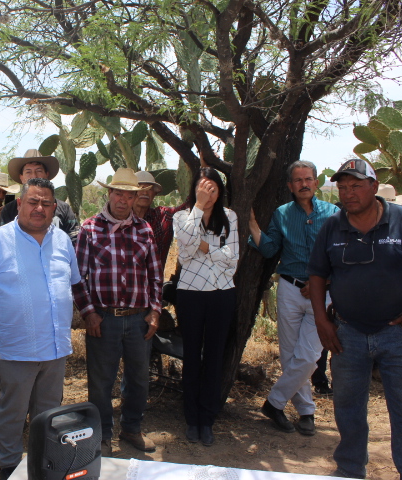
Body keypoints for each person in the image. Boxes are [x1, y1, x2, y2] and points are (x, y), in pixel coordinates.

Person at [308, 158, 402, 480]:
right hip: (347, 334)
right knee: (348, 408)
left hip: (399, 335)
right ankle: (350, 469)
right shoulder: (332, 226)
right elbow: (317, 275)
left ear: (373, 186)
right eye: (342, 187)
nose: (348, 193)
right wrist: (322, 321)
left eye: (356, 186)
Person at [0, 177, 81, 480]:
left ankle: (44, 464)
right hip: (16, 347)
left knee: (49, 414)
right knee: (13, 412)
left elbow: (72, 282)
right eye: (33, 201)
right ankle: (9, 466)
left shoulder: (62, 241)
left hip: (55, 347)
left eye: (46, 203)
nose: (39, 208)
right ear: (19, 204)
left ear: (54, 207)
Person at [73, 168, 162, 456]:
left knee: (138, 379)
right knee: (101, 382)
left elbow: (155, 275)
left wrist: (155, 311)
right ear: (109, 193)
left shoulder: (144, 230)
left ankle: (132, 428)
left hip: (138, 319)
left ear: (136, 198)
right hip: (103, 318)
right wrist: (89, 313)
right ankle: (102, 435)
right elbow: (78, 277)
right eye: (118, 193)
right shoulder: (89, 228)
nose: (123, 200)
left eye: (129, 195)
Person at [248, 160, 339, 434]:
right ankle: (306, 412)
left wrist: (323, 281)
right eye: (298, 180)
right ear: (290, 185)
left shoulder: (333, 214)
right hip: (289, 288)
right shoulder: (282, 214)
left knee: (310, 355)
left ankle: (274, 403)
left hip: (322, 293)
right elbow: (269, 249)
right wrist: (252, 224)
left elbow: (341, 253)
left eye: (308, 179)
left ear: (316, 182)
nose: (304, 184)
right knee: (290, 356)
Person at [174, 167, 239, 446]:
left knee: (214, 356)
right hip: (190, 293)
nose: (208, 193)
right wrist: (198, 207)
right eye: (203, 188)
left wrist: (203, 247)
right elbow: (184, 249)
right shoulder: (182, 216)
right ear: (195, 190)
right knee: (191, 355)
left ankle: (207, 419)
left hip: (222, 293)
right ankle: (191, 418)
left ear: (220, 191)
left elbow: (232, 258)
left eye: (212, 188)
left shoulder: (230, 217)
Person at [0, 149, 80, 244]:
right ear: (21, 177)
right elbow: (2, 242)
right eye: (28, 172)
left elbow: (75, 241)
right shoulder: (9, 210)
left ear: (47, 175)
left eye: (39, 171)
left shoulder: (64, 209)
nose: (34, 176)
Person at [132, 170, 186, 270]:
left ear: (154, 194)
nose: (145, 192)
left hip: (154, 280)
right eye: (140, 188)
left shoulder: (162, 217)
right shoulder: (119, 221)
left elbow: (188, 206)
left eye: (149, 189)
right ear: (130, 192)